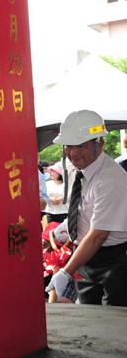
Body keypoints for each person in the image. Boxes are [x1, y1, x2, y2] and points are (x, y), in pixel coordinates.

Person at [46, 110, 127, 306]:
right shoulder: (76, 167)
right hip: (84, 256)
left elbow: (99, 235)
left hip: (113, 262)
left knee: (113, 324)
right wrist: (68, 226)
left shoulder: (111, 179)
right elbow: (84, 206)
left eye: (80, 146)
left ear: (99, 145)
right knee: (88, 319)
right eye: (68, 146)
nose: (72, 153)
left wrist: (66, 271)